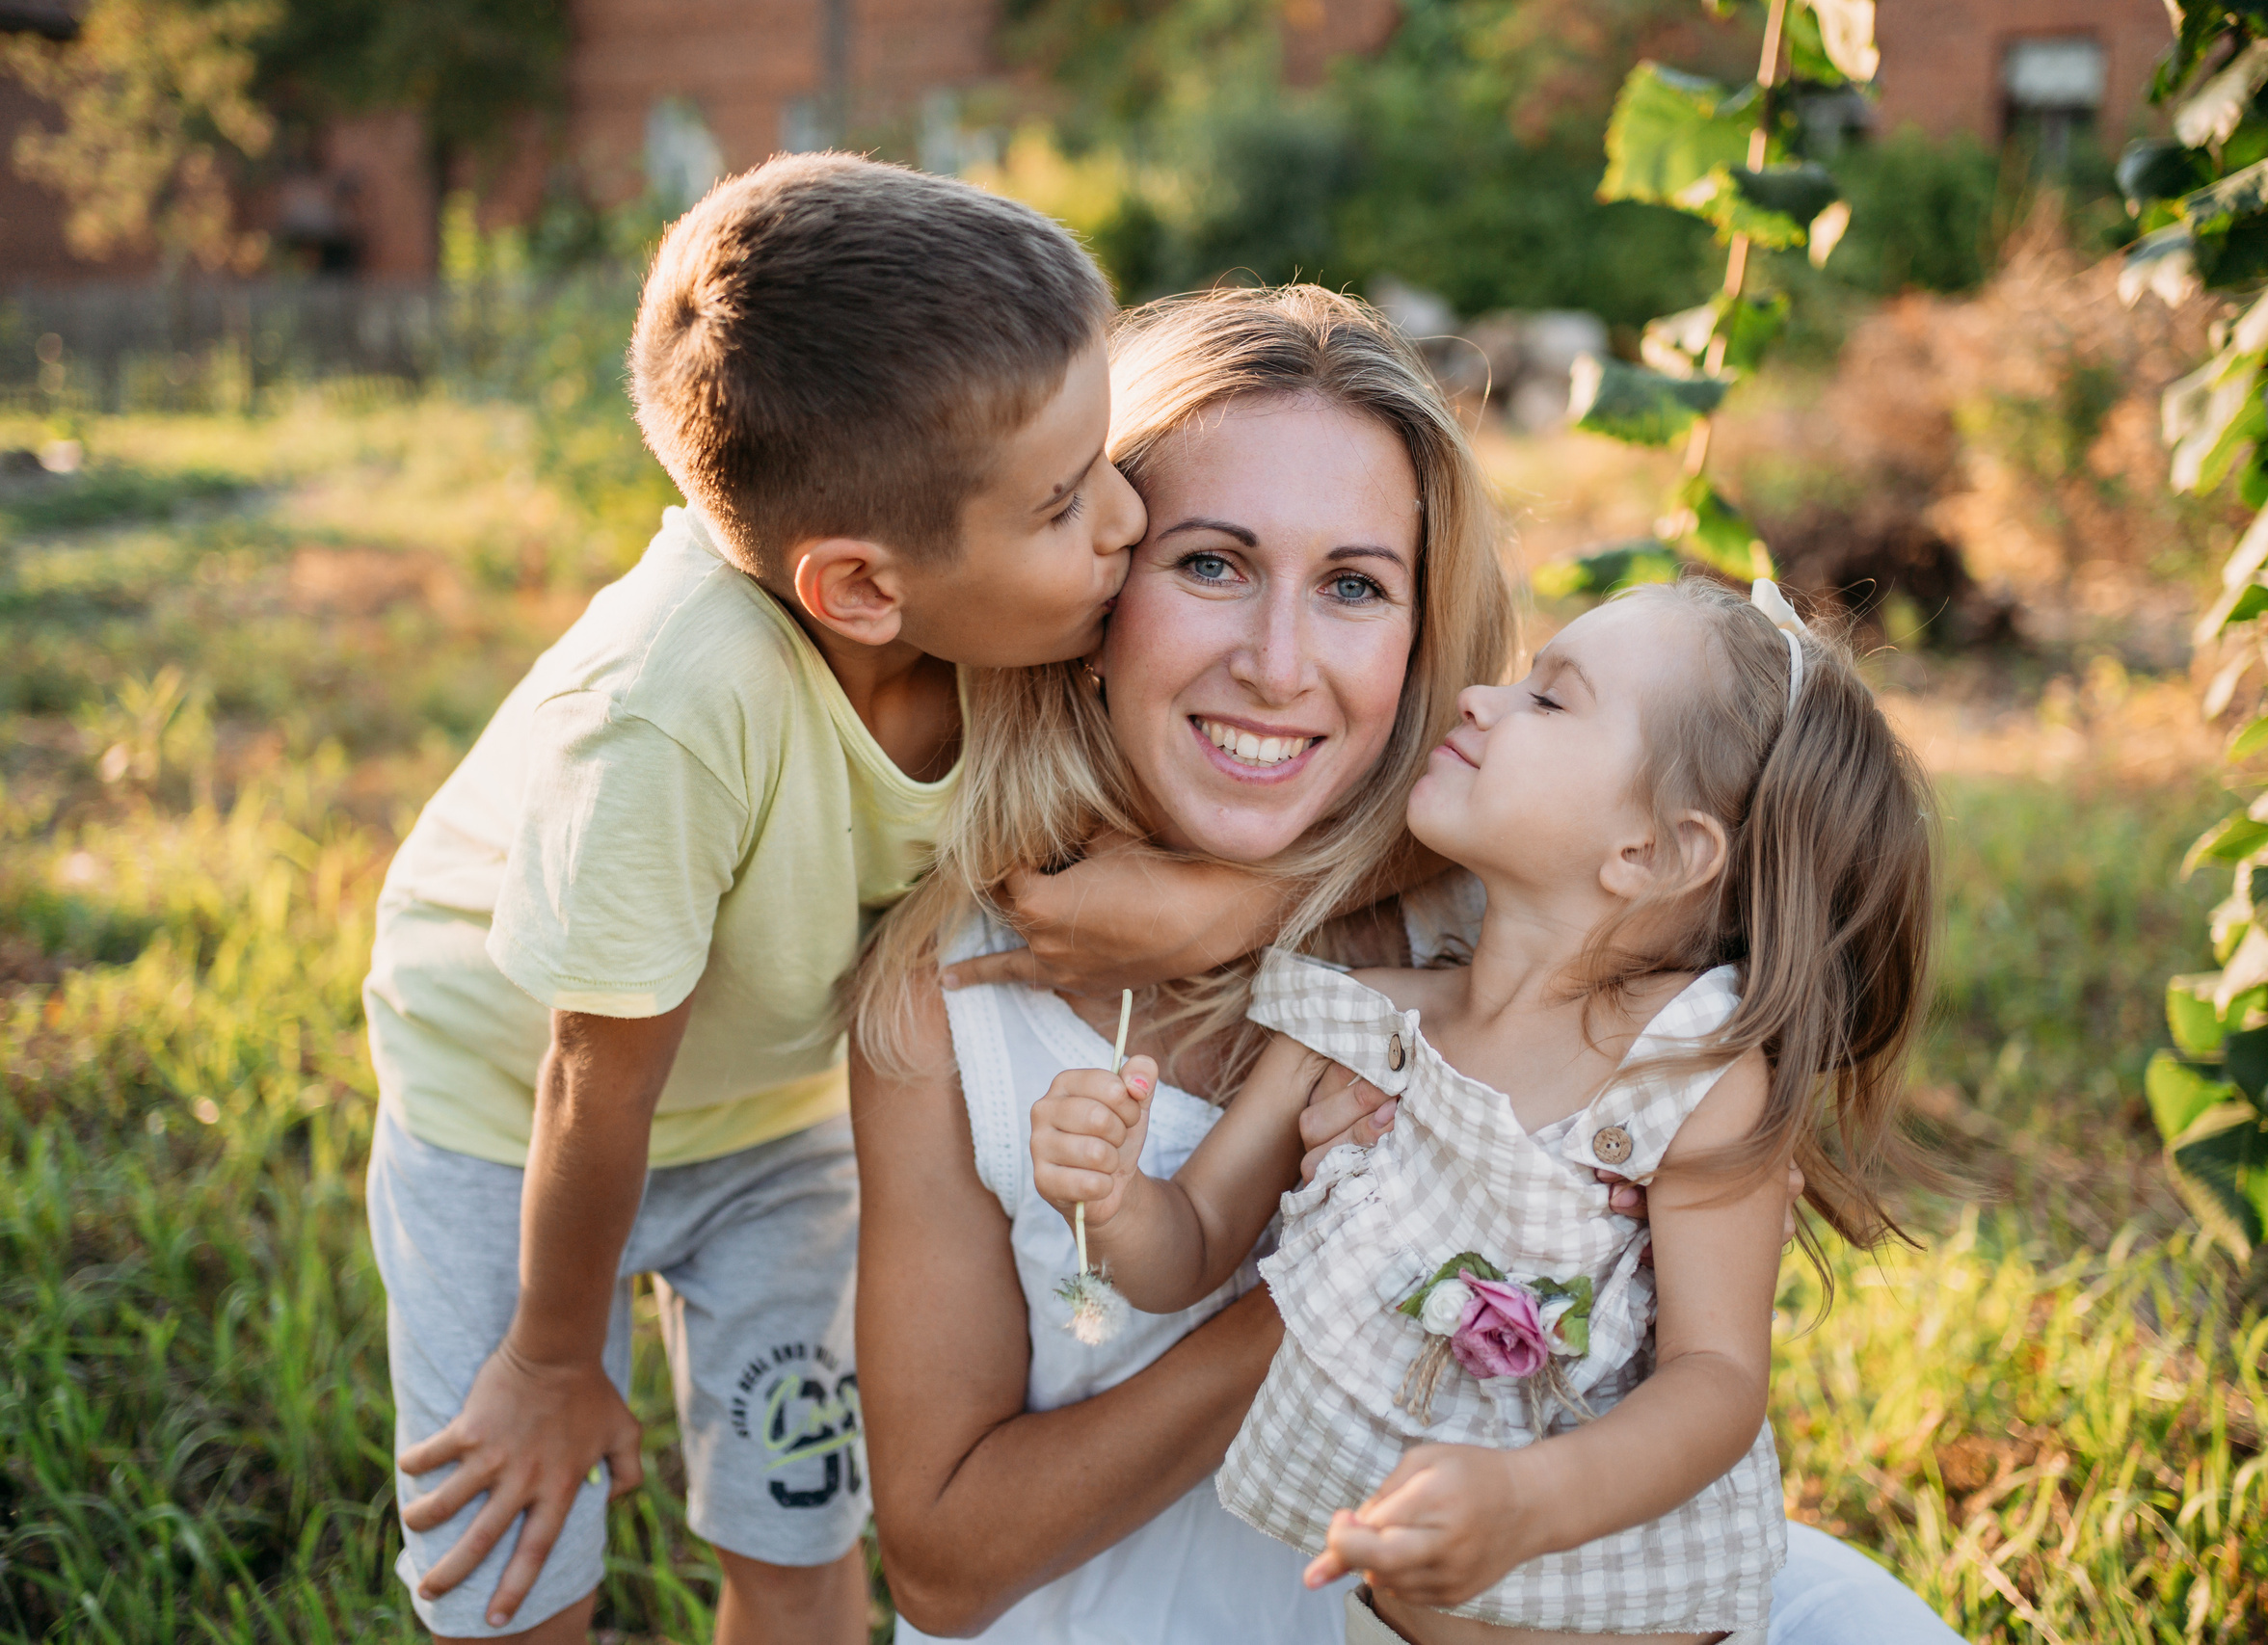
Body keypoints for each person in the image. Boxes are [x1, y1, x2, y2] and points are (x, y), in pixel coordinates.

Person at [852, 287, 1967, 1644]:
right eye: (1210, 562)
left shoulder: (1477, 901)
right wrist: (1371, 1274)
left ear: (1421, 630)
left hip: (1536, 1593)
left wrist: (1231, 914)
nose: (1277, 663)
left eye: (1354, 586)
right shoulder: (952, 1003)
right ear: (1095, 583)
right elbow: (944, 1564)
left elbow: (1778, 880)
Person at [359, 153, 1165, 1642]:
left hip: (766, 1127)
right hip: (503, 1112)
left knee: (801, 1516)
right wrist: (550, 1358)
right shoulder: (671, 711)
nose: (1127, 520)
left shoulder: (1016, 642)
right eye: (1066, 501)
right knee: (516, 1541)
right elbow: (589, 1084)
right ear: (860, 587)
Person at [1027, 576, 1939, 1644]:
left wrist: (1527, 1500)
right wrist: (1113, 1193)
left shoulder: (1684, 1077)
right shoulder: (1352, 1026)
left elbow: (1718, 1379)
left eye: (1549, 701)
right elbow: (1189, 1250)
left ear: (1650, 853)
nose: (1478, 701)